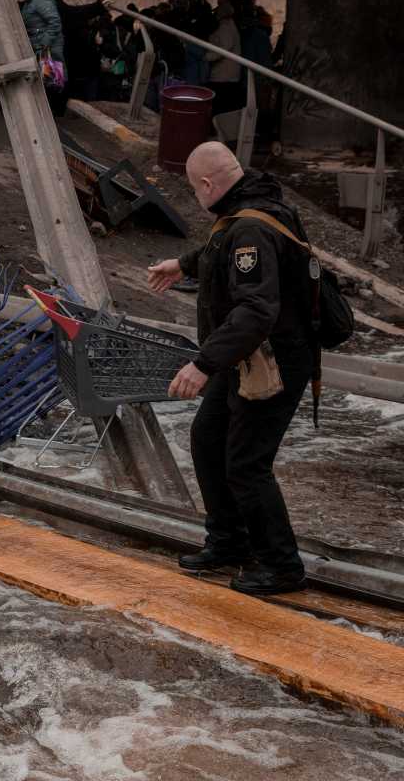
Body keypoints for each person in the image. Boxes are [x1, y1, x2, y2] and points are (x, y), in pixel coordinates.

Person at [148, 142, 313, 596]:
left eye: (193, 188)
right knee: (207, 438)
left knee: (246, 461)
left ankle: (282, 567)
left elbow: (256, 309)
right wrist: (183, 264)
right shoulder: (251, 207)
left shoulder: (251, 228)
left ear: (205, 184)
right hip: (244, 352)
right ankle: (229, 542)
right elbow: (222, 248)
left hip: (273, 359)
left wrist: (202, 364)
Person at [19, 0, 66, 115]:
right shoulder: (32, 0)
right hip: (40, 46)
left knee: (49, 82)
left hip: (47, 48)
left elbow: (55, 23)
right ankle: (43, 116)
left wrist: (43, 43)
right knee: (44, 83)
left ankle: (47, 119)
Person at [206, 0, 244, 114]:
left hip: (223, 76)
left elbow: (222, 49)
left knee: (221, 107)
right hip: (227, 75)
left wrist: (206, 57)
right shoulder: (229, 26)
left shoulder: (225, 28)